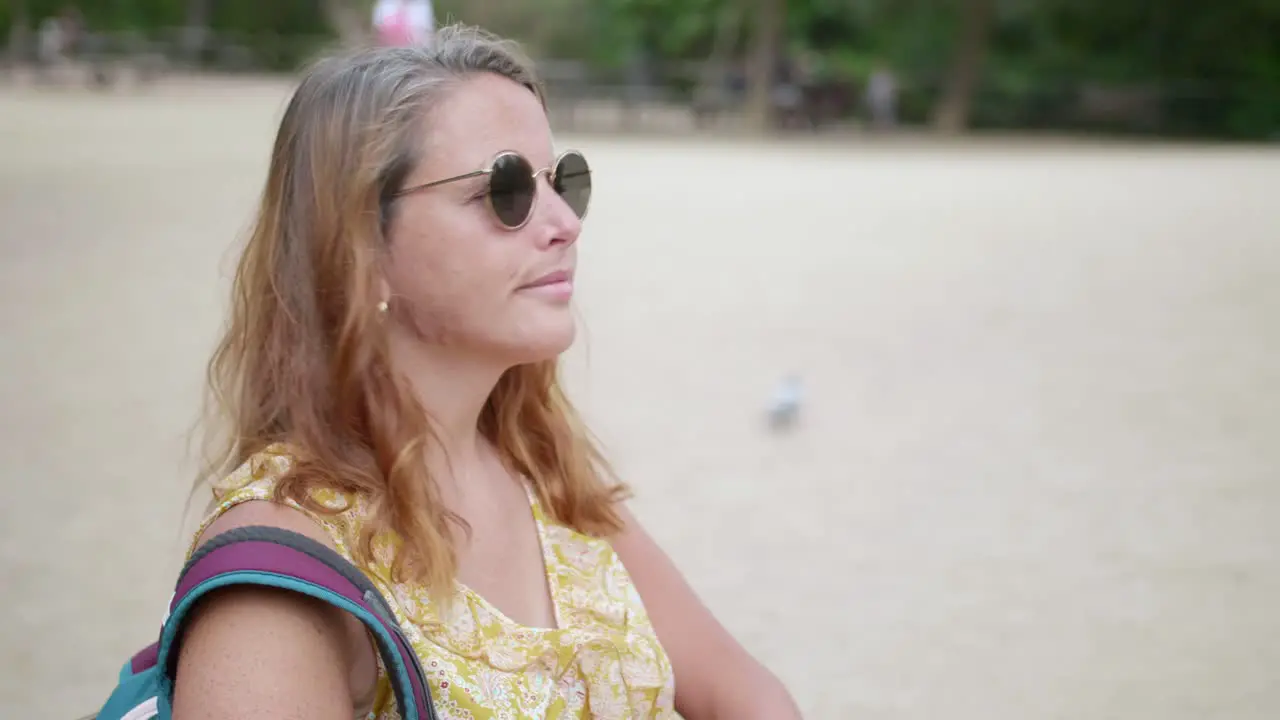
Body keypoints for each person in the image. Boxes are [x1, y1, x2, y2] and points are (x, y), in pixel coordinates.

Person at [174, 25, 801, 720]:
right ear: (360, 243)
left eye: (564, 182)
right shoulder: (283, 577)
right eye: (506, 190)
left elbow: (751, 696)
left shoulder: (545, 475)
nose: (565, 221)